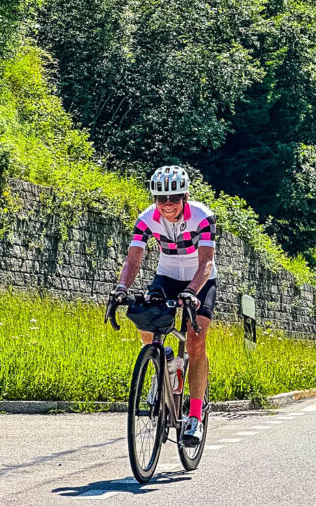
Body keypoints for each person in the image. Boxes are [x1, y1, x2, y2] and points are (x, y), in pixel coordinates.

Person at [110, 165, 217, 446]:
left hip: (200, 277)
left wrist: (192, 292)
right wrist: (121, 288)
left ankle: (194, 418)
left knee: (195, 341)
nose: (167, 204)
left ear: (185, 196)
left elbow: (206, 262)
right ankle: (165, 363)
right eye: (161, 199)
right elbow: (133, 260)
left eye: (173, 198)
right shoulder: (146, 218)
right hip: (167, 273)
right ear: (155, 199)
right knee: (146, 319)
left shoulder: (203, 216)